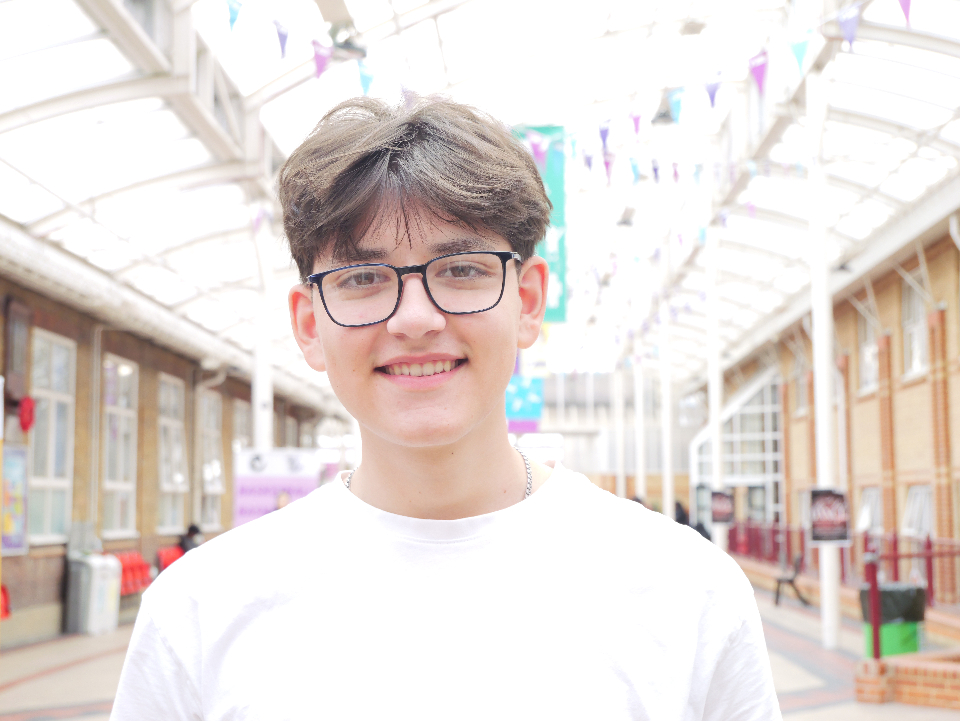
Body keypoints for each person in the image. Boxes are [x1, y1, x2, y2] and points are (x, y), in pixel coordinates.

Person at [111, 97, 780, 720]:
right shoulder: (201, 609)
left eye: (460, 268)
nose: (416, 317)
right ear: (309, 323)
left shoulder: (684, 592)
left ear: (528, 300)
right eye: (364, 278)